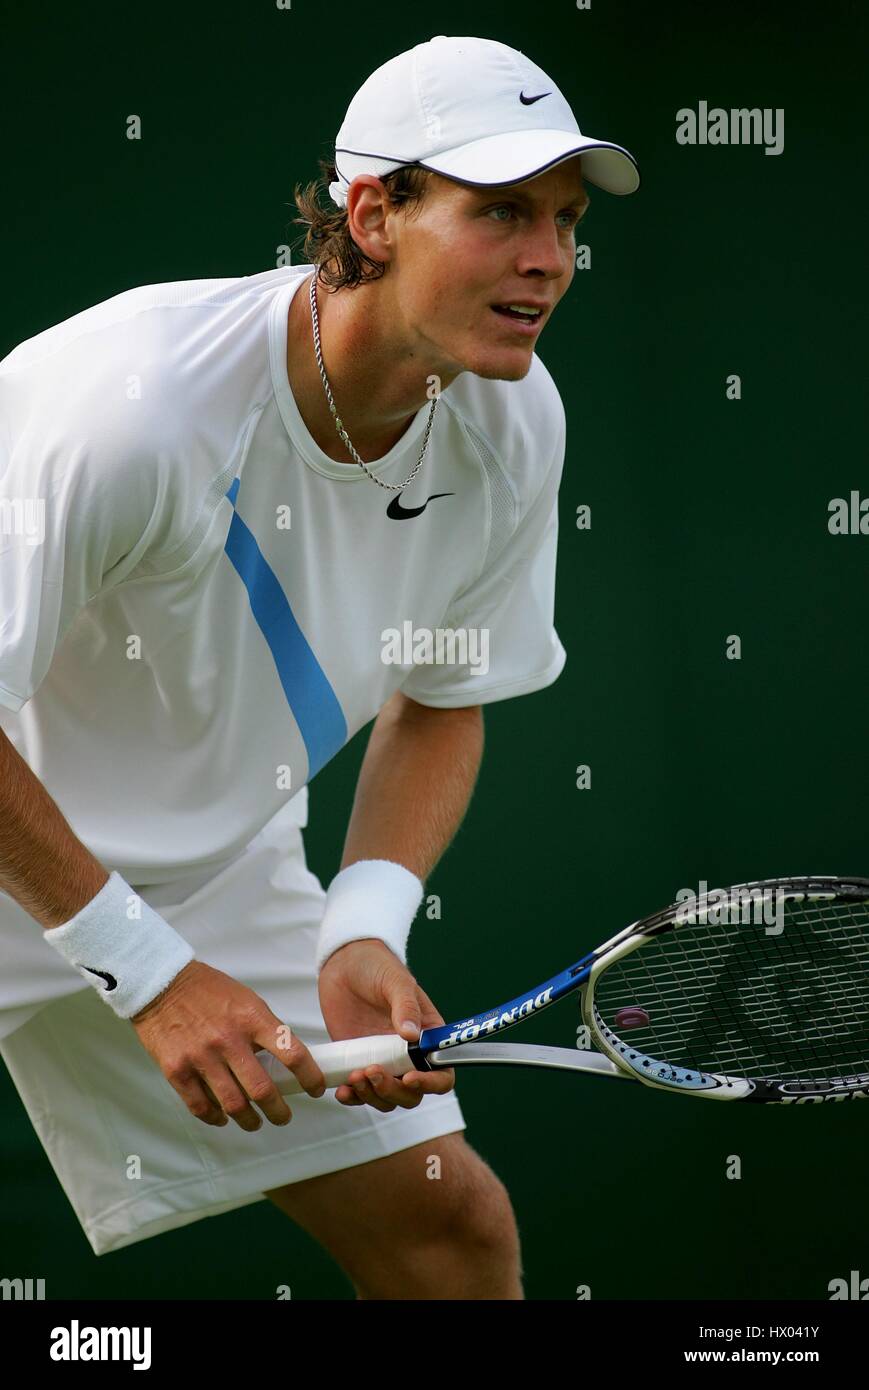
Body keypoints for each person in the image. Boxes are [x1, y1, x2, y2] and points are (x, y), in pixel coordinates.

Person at [0, 34, 637, 1297]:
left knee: (448, 1234)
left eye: (563, 221)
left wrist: (361, 927)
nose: (547, 260)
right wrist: (146, 969)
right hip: (38, 831)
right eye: (501, 211)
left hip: (207, 871)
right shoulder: (134, 410)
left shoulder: (515, 418)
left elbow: (443, 697)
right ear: (373, 212)